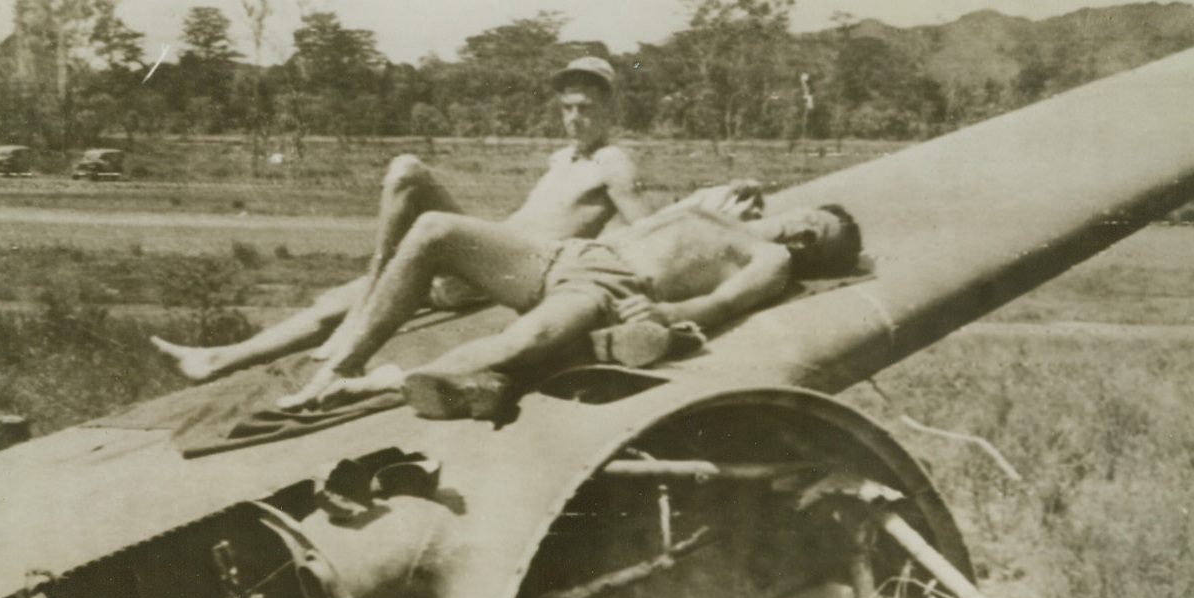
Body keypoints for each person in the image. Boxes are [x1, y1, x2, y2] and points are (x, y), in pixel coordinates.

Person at [151, 56, 648, 383]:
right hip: (486, 261)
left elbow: (646, 231)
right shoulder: (562, 160)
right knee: (339, 299)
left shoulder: (614, 162)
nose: (575, 118)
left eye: (586, 107)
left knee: (409, 172)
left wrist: (617, 286)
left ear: (610, 107)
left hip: (523, 271)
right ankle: (216, 359)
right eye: (567, 108)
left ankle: (366, 307)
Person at [277, 201, 861, 412]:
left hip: (609, 286)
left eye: (820, 240)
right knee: (433, 229)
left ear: (811, 259)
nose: (808, 232)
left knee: (520, 345)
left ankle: (380, 385)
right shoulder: (733, 211)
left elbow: (724, 299)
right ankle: (341, 366)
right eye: (817, 218)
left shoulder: (772, 257)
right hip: (569, 254)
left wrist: (664, 318)